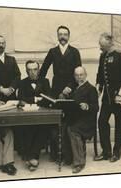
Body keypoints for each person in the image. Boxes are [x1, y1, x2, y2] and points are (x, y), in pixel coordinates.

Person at [39, 25, 82, 164]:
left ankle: (69, 156)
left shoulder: (75, 52)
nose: (63, 36)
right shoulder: (52, 51)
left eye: (65, 34)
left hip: (71, 90)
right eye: (60, 34)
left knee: (69, 122)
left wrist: (70, 87)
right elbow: (44, 69)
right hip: (56, 91)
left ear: (69, 36)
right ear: (57, 36)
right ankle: (56, 155)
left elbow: (79, 72)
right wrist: (40, 87)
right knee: (56, 122)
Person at [94, 32, 121, 162]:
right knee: (102, 121)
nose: (100, 47)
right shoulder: (103, 56)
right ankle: (106, 152)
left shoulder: (120, 55)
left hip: (119, 96)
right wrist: (98, 89)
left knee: (119, 124)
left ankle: (117, 153)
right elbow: (100, 73)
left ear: (109, 43)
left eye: (101, 45)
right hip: (107, 97)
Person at [60, 66, 99, 173]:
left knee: (72, 130)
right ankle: (69, 158)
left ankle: (79, 162)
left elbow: (96, 107)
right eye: (76, 75)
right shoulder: (74, 88)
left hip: (87, 120)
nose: (79, 77)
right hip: (75, 118)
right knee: (64, 127)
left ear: (85, 75)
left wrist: (87, 106)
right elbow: (65, 102)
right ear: (74, 76)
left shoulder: (91, 89)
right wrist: (63, 94)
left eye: (81, 74)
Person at [17, 60, 51, 171]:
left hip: (42, 115)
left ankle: (32, 157)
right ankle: (33, 158)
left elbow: (48, 98)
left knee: (43, 128)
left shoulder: (45, 81)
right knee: (27, 128)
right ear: (26, 71)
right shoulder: (22, 83)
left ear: (39, 70)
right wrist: (37, 99)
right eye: (30, 70)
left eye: (35, 69)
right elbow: (21, 99)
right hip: (27, 115)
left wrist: (30, 100)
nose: (32, 72)